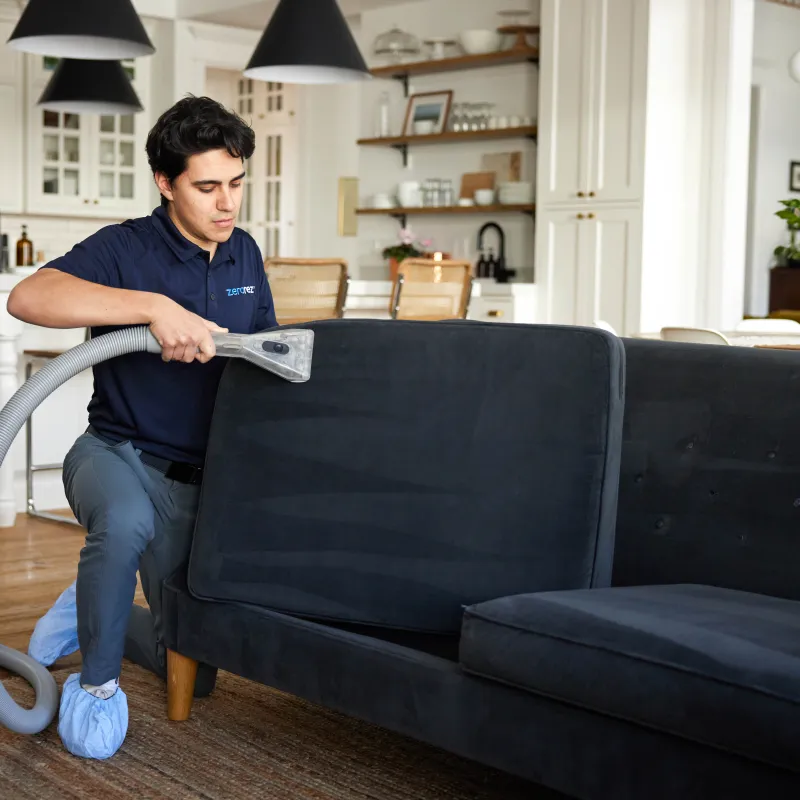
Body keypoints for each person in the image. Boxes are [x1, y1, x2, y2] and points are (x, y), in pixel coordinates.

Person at [7, 95, 277, 760]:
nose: (227, 204)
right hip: (115, 456)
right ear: (166, 182)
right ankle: (96, 689)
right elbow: (28, 297)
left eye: (237, 183)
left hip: (197, 481)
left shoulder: (243, 253)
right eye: (207, 186)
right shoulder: (126, 248)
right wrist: (153, 308)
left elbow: (267, 349)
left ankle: (87, 608)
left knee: (196, 671)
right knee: (123, 524)